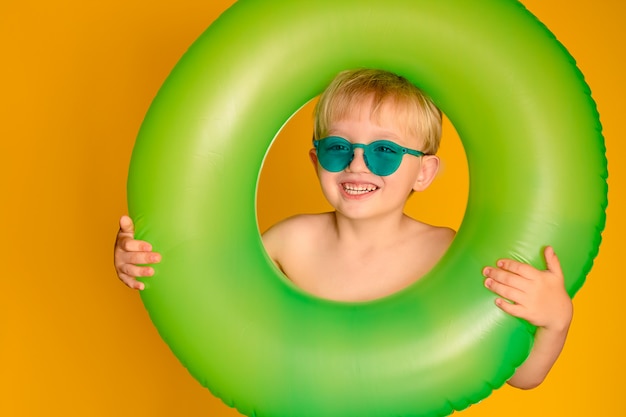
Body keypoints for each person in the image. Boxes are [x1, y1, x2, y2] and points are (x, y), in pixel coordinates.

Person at [114, 68, 572, 390]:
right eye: (337, 148)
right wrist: (142, 260)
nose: (356, 163)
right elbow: (208, 290)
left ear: (424, 173)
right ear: (316, 161)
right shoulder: (290, 242)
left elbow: (519, 374)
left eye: (384, 152)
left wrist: (555, 321)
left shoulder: (447, 254)